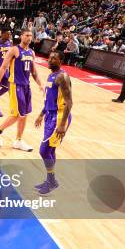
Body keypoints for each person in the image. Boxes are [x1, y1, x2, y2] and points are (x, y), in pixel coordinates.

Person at [0, 28, 44, 152]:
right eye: (26, 35)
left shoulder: (31, 52)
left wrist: (41, 84)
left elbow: (34, 72)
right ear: (21, 36)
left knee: (23, 115)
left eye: (30, 35)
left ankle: (17, 140)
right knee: (19, 115)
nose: (29, 37)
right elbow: (3, 68)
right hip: (15, 85)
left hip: (26, 86)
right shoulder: (14, 50)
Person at [34, 51, 72, 195]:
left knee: (43, 150)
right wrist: (41, 114)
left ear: (61, 60)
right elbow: (50, 99)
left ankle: (52, 181)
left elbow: (69, 102)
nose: (50, 60)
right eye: (49, 57)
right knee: (50, 150)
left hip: (59, 117)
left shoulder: (62, 77)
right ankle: (51, 181)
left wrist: (62, 124)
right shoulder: (51, 75)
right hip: (50, 115)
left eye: (54, 58)